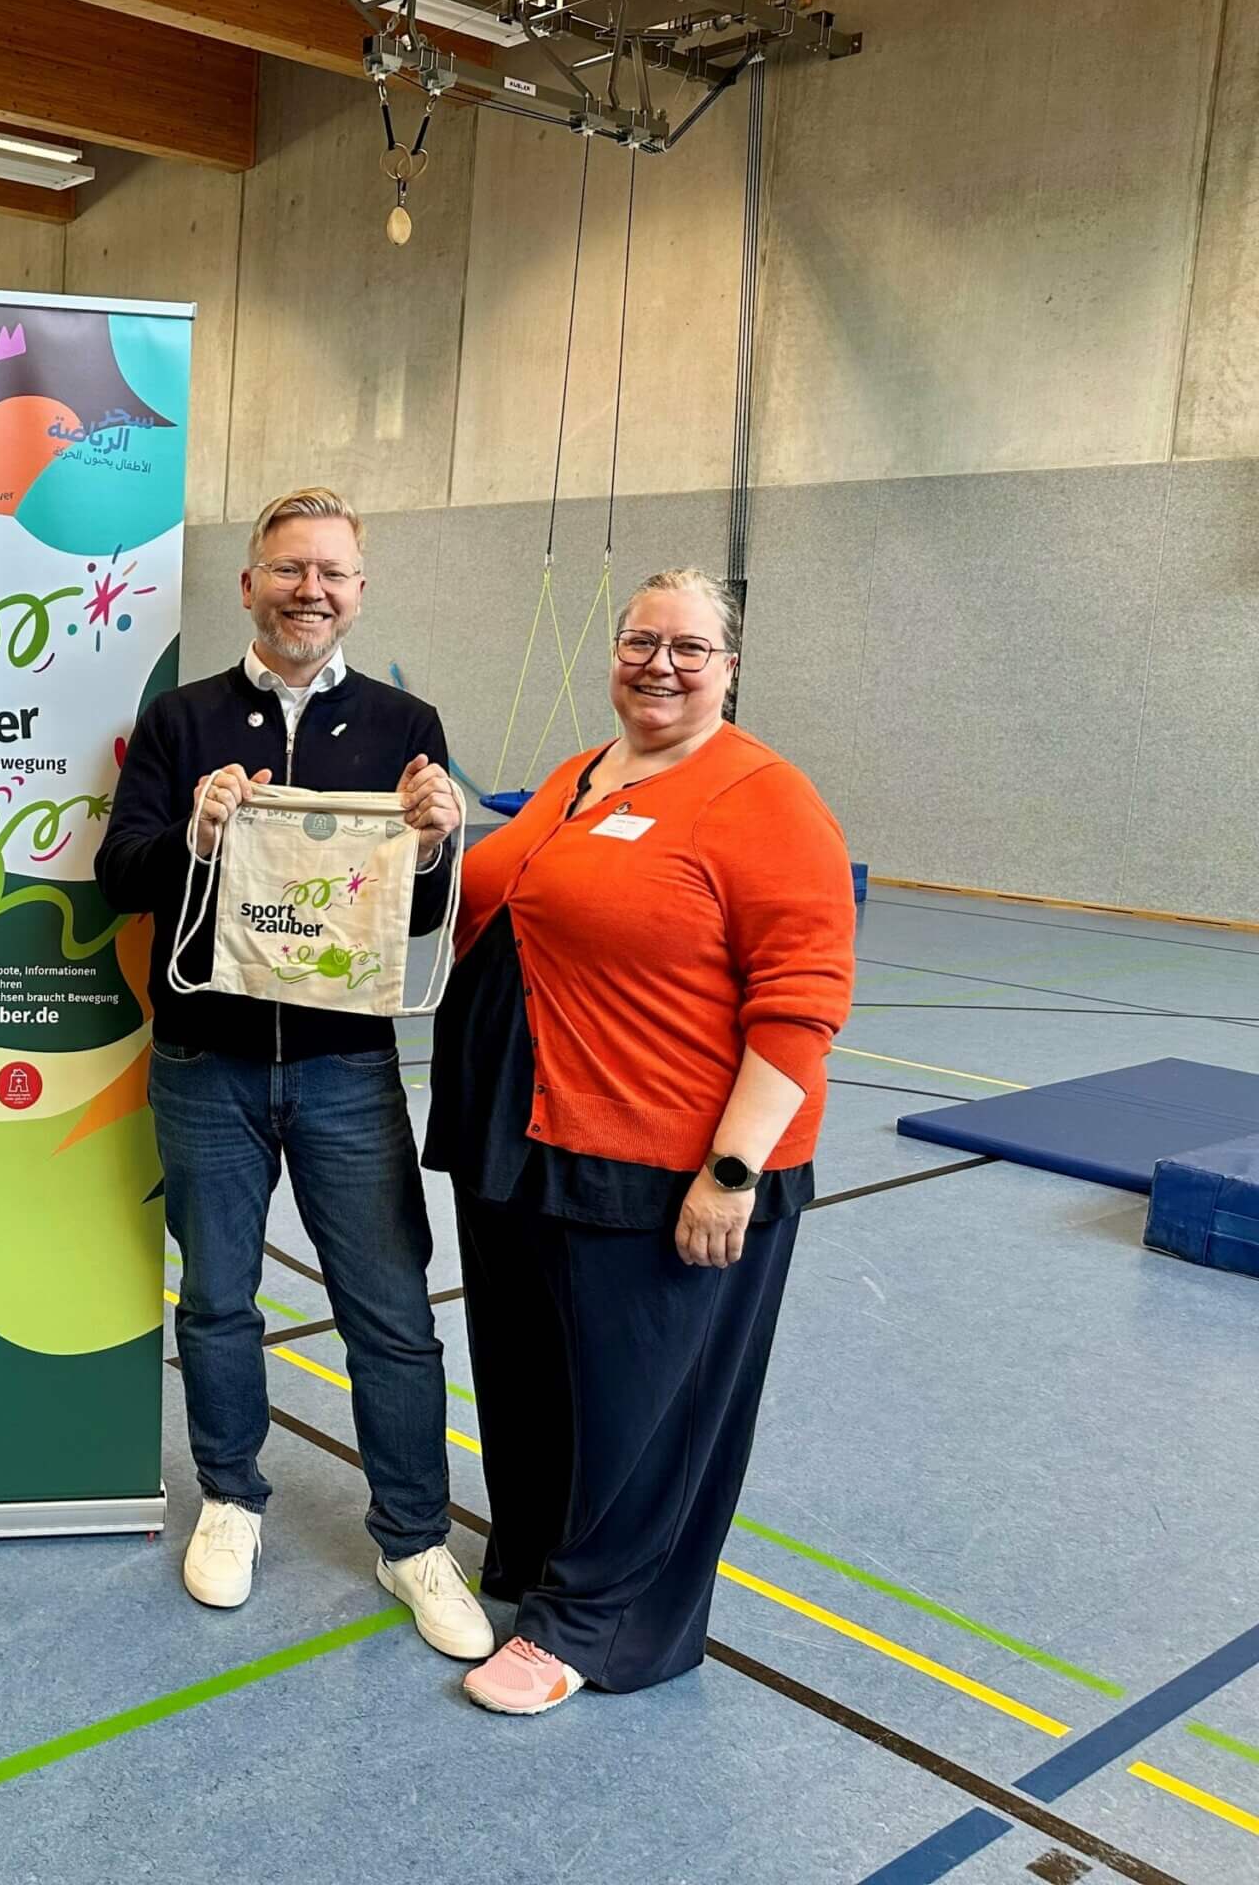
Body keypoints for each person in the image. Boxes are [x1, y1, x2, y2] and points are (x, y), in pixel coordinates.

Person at [426, 567, 854, 1715]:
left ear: (728, 666)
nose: (657, 664)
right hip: (526, 1137)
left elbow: (803, 999)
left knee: (639, 1398)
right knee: (528, 1379)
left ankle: (597, 1622)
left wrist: (730, 1171)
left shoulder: (765, 798)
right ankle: (534, 1562)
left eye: (687, 647)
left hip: (665, 1159)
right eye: (637, 641)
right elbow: (496, 902)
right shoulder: (581, 773)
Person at [95, 487, 491, 1658]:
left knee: (392, 1316)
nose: (307, 589)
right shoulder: (181, 720)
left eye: (330, 571)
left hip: (344, 1074)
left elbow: (417, 913)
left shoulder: (403, 721)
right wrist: (195, 839)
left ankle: (413, 1537)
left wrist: (438, 840)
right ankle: (229, 1499)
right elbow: (121, 875)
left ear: (359, 590)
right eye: (286, 569)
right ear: (250, 584)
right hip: (203, 1066)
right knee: (217, 1300)